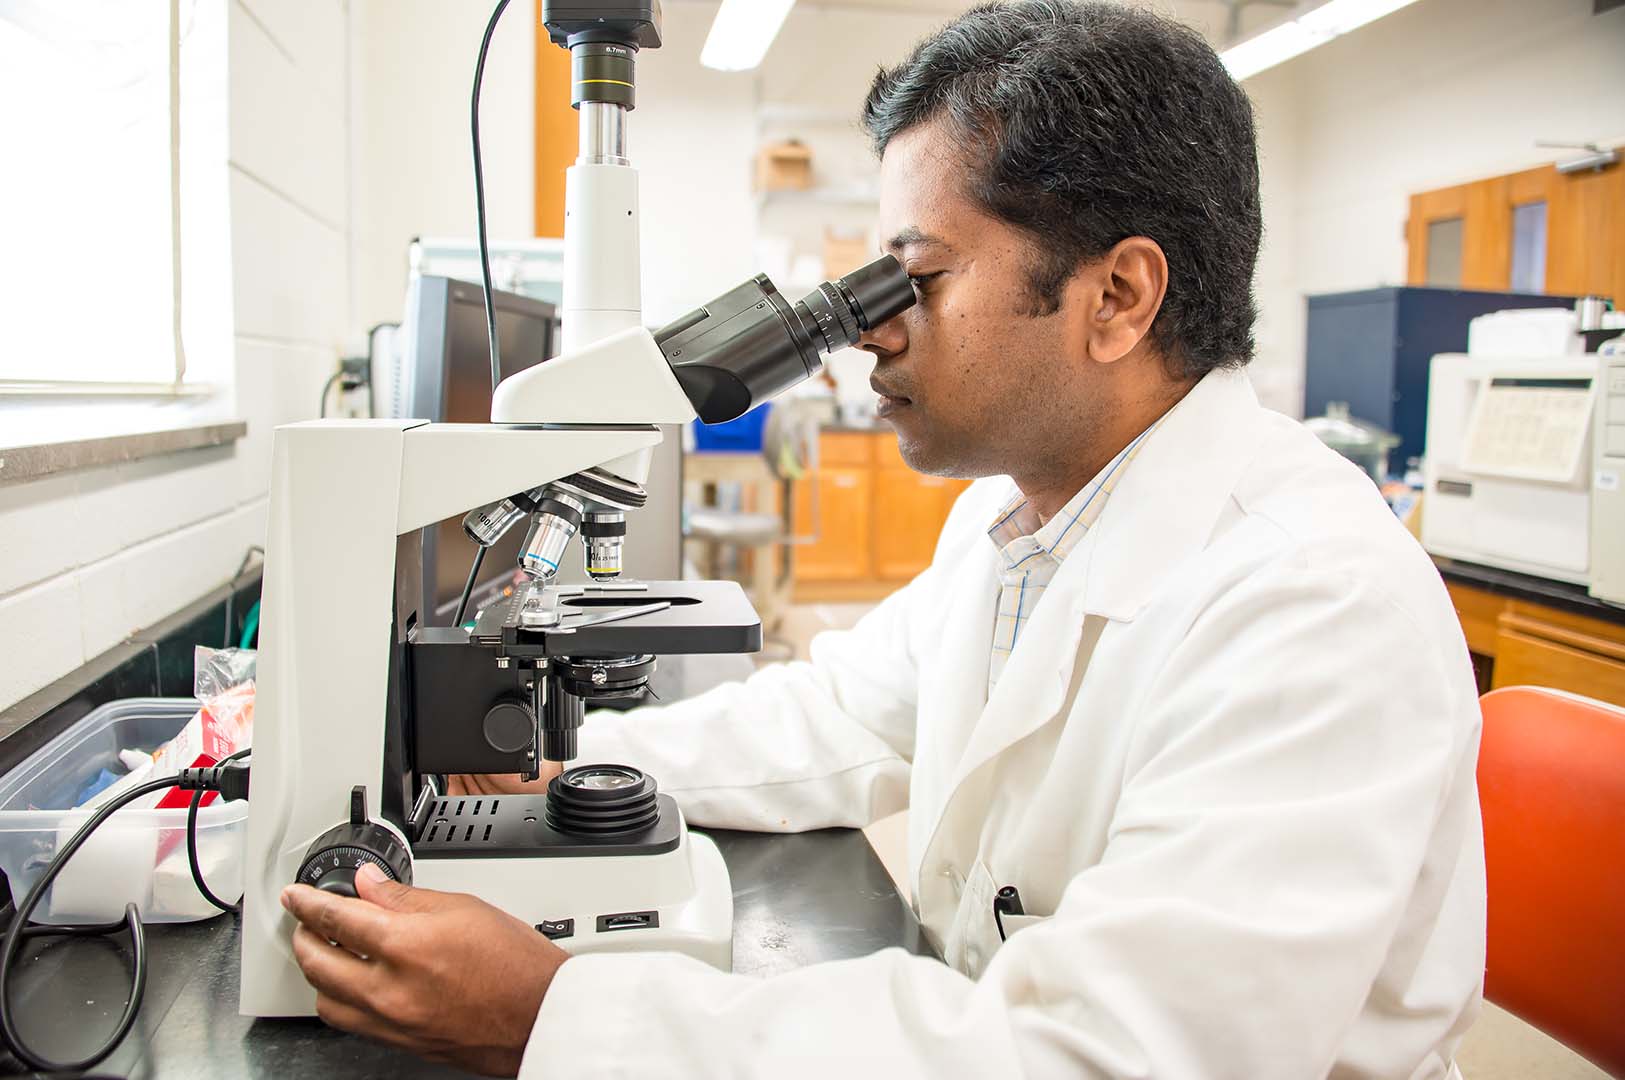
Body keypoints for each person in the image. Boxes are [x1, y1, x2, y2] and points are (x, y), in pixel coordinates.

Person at [281, 2, 1486, 1076]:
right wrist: (579, 770)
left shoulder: (1315, 605)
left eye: (916, 277)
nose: (873, 332)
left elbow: (1107, 1056)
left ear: (1115, 298)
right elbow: (841, 715)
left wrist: (557, 1016)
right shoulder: (1017, 520)